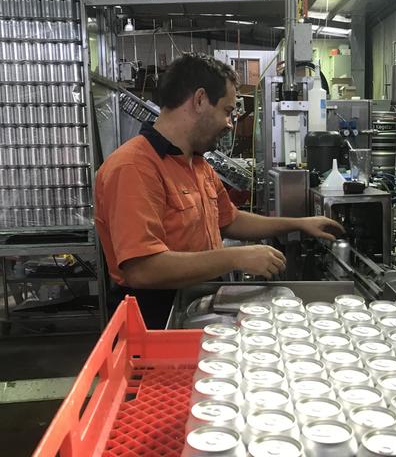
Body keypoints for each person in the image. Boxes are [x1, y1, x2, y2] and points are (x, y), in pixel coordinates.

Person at [95, 54, 343, 328]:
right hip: (153, 318)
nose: (229, 123)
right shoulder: (134, 168)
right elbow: (142, 270)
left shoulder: (196, 162)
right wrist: (237, 257)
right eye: (227, 111)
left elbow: (230, 219)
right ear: (200, 100)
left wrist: (299, 224)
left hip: (196, 300)